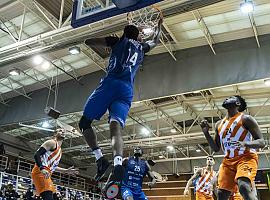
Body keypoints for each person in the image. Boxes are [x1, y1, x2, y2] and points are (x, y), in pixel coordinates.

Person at [78, 17, 163, 182]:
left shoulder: (118, 41)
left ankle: (100, 158)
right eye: (140, 34)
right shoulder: (143, 48)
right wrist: (159, 26)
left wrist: (109, 42)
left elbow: (88, 41)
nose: (142, 36)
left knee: (84, 123)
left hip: (110, 84)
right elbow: (156, 40)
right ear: (137, 37)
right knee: (115, 127)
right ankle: (117, 163)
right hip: (126, 90)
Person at [200, 95, 265, 200]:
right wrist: (206, 133)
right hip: (228, 161)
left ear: (237, 103)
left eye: (231, 97)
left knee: (243, 186)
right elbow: (216, 148)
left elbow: (262, 142)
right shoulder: (218, 124)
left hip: (246, 157)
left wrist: (246, 144)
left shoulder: (246, 119)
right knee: (221, 193)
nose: (226, 98)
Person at [31, 129, 79, 200]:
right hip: (40, 172)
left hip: (47, 173)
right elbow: (37, 155)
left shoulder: (60, 151)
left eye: (63, 131)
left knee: (55, 197)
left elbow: (53, 167)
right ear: (55, 134)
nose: (63, 131)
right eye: (60, 130)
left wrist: (65, 171)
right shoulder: (52, 142)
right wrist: (42, 168)